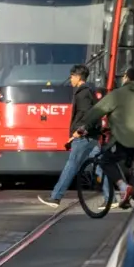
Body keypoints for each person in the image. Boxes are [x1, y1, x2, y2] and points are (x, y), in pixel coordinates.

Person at [73, 66, 134, 207]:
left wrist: (84, 125)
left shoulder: (118, 94)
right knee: (127, 162)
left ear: (127, 78)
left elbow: (97, 111)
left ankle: (124, 188)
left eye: (124, 76)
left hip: (125, 137)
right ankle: (131, 195)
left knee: (106, 161)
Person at [40, 65, 100, 208]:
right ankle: (113, 198)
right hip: (90, 136)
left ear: (79, 77)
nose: (70, 79)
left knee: (71, 165)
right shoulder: (87, 91)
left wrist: (78, 132)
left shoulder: (83, 93)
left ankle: (55, 197)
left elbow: (87, 115)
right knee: (100, 166)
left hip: (83, 137)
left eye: (72, 76)